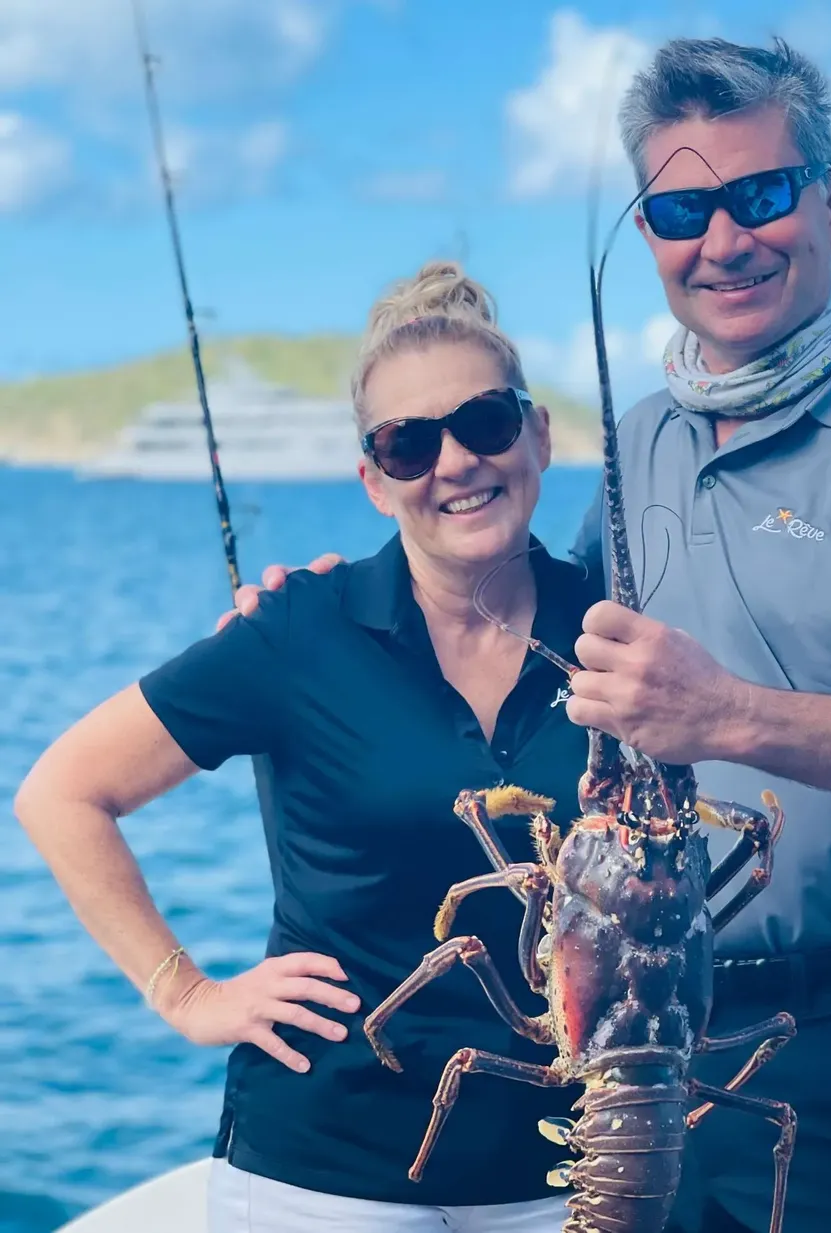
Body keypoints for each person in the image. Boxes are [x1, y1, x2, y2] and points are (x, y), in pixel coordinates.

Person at [215, 35, 831, 1233]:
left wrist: (731, 718)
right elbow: (515, 620)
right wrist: (315, 618)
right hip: (623, 1035)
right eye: (679, 208)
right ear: (650, 230)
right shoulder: (648, 438)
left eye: (761, 195)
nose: (724, 241)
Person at [14, 261, 600, 1233]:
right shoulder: (299, 631)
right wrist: (188, 994)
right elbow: (62, 792)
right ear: (374, 481)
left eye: (486, 423)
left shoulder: (615, 639)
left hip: (566, 1173)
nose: (455, 462)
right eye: (409, 444)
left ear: (538, 436)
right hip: (318, 1172)